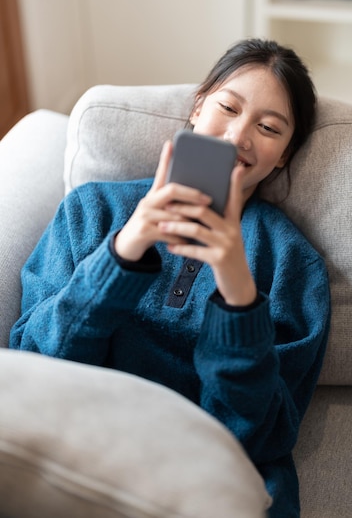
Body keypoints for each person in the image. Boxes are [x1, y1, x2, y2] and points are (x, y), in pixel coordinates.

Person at [9, 38, 331, 517]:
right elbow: (36, 362)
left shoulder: (292, 263)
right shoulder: (93, 209)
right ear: (199, 106)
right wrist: (126, 249)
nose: (240, 136)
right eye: (228, 107)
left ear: (283, 154)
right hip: (79, 451)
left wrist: (238, 296)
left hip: (207, 481)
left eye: (268, 128)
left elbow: (260, 435)